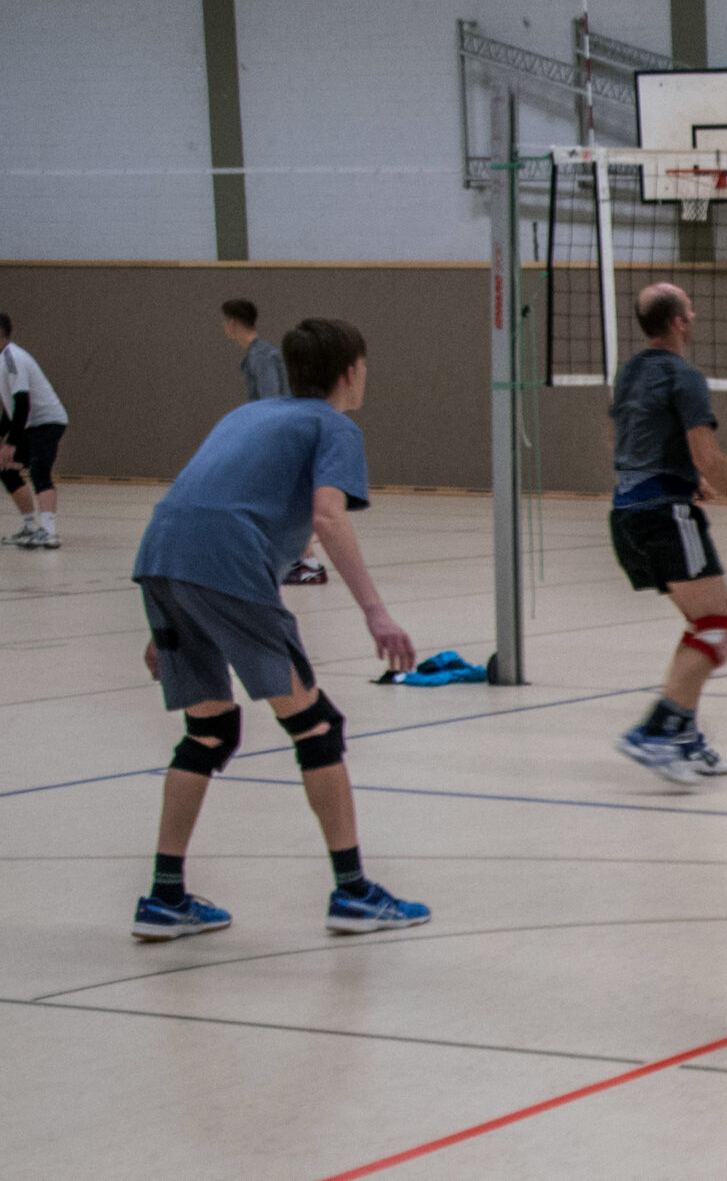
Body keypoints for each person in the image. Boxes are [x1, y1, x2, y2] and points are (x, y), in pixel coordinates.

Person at [127, 318, 428, 939]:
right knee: (316, 725)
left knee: (207, 732)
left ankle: (164, 898)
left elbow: (199, 502)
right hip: (223, 566)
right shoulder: (334, 426)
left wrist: (172, 617)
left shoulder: (245, 416)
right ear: (350, 371)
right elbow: (328, 516)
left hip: (161, 558)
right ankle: (353, 893)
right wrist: (375, 611)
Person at [608, 282, 727, 786]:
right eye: (690, 309)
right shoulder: (684, 376)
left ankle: (684, 737)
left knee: (702, 626)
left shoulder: (630, 372)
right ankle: (654, 732)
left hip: (627, 513)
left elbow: (628, 438)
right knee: (718, 625)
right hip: (665, 514)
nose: (695, 314)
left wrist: (685, 479)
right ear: (678, 322)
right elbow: (708, 453)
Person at [221, 299, 326, 585]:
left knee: (282, 500)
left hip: (277, 438)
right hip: (274, 436)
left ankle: (307, 562)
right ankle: (302, 560)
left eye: (225, 321)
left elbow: (271, 400)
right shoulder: (256, 354)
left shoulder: (262, 356)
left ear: (233, 323)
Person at [1, 313, 69, 550]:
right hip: (30, 424)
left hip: (47, 422)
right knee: (5, 467)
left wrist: (11, 442)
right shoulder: (1, 360)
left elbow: (22, 403)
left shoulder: (12, 358)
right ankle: (29, 526)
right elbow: (10, 408)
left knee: (40, 470)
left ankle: (48, 532)